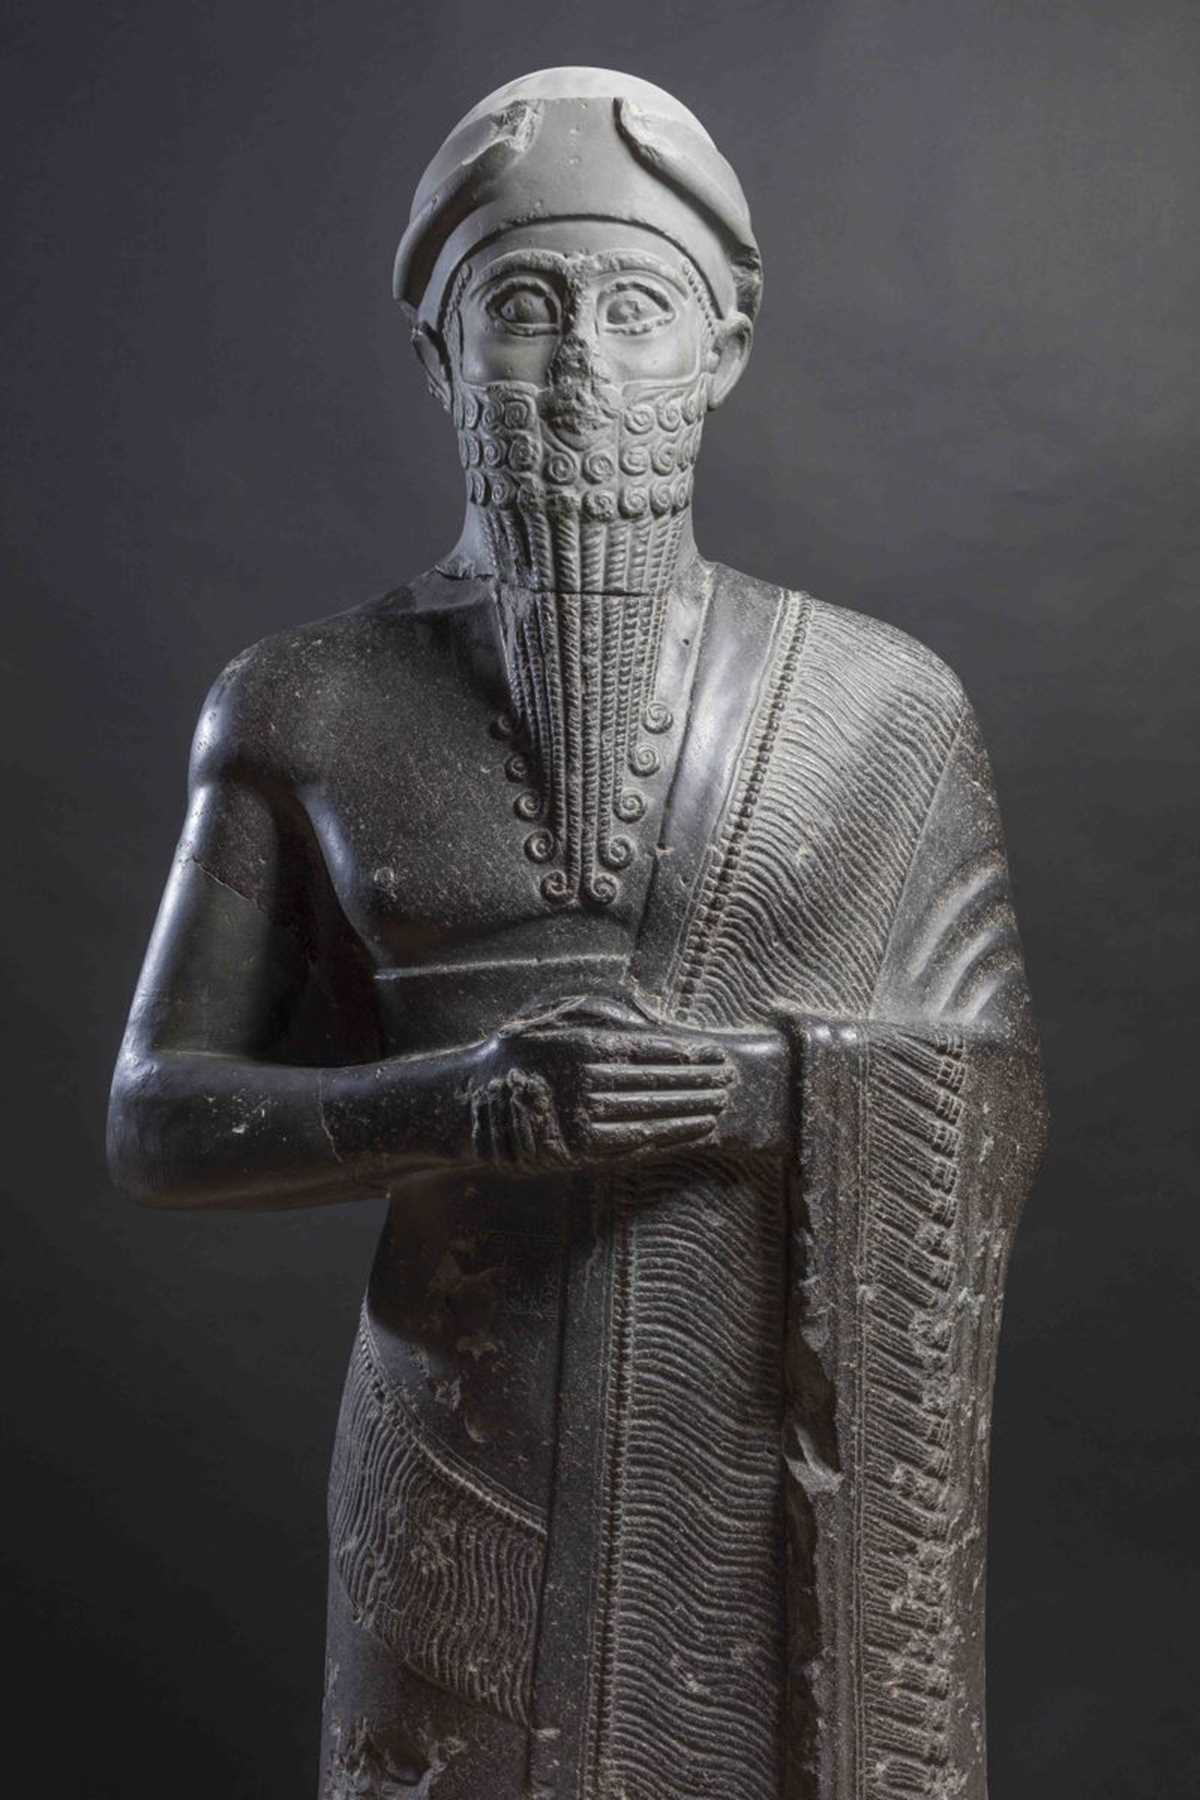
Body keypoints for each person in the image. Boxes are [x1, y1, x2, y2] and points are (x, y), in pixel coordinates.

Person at [109, 67, 1046, 1800]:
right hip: (462, 1441)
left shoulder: (883, 706)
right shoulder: (306, 699)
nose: (583, 367)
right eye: (523, 310)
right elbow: (161, 1115)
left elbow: (991, 1092)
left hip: (766, 1450)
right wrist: (453, 1102)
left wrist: (761, 1090)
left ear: (723, 348)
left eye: (636, 309)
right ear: (441, 353)